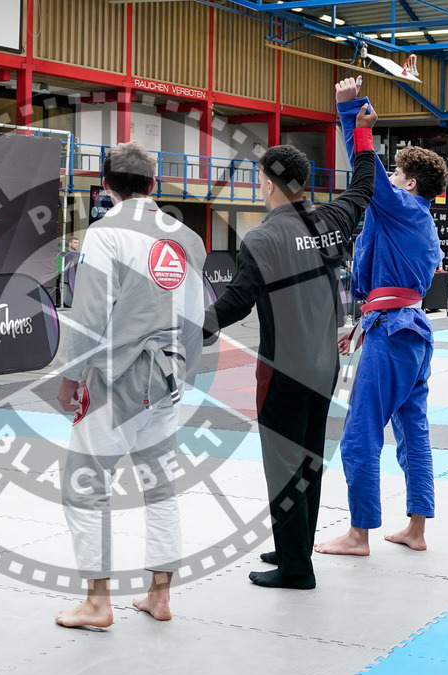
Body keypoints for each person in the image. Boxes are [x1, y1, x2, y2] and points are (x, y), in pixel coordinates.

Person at [202, 79, 377, 590]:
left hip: (282, 373)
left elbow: (235, 304)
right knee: (309, 463)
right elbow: (364, 185)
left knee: (284, 467)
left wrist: (190, 330)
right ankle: (291, 548)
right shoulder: (334, 221)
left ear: (270, 183)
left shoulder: (261, 238)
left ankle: (297, 567)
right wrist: (361, 133)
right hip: (325, 369)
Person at [54, 142, 205, 628]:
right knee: (160, 487)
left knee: (86, 485)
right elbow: (199, 318)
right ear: (153, 184)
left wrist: (70, 378)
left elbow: (90, 315)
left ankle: (98, 602)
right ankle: (159, 596)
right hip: (170, 373)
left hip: (118, 377)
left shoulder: (106, 232)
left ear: (105, 186)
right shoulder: (187, 237)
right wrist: (185, 376)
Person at [315, 78, 448, 558]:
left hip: (394, 336)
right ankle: (416, 528)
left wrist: (353, 118)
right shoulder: (421, 221)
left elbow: (364, 176)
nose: (388, 179)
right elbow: (392, 289)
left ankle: (359, 533)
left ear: (410, 184)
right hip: (407, 330)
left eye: (396, 174)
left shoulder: (404, 209)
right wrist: (360, 325)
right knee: (414, 431)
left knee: (361, 433)